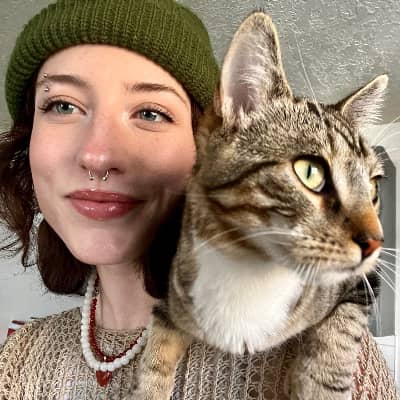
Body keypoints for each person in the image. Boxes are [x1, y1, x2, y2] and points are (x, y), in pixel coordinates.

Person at [0, 0, 397, 399]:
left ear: (202, 143)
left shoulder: (344, 364)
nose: (97, 156)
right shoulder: (18, 357)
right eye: (62, 105)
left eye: (151, 113)